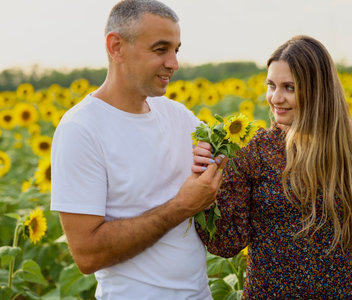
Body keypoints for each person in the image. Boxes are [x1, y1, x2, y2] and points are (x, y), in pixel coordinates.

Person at [50, 1, 224, 299]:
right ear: (116, 46)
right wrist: (182, 206)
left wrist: (217, 166)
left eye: (176, 50)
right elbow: (87, 255)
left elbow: (222, 174)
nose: (173, 63)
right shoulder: (81, 129)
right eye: (160, 49)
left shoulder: (178, 116)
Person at [192, 35, 352, 299]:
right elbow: (226, 241)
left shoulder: (343, 147)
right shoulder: (258, 150)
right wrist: (207, 182)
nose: (275, 98)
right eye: (271, 85)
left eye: (289, 87)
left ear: (317, 90)